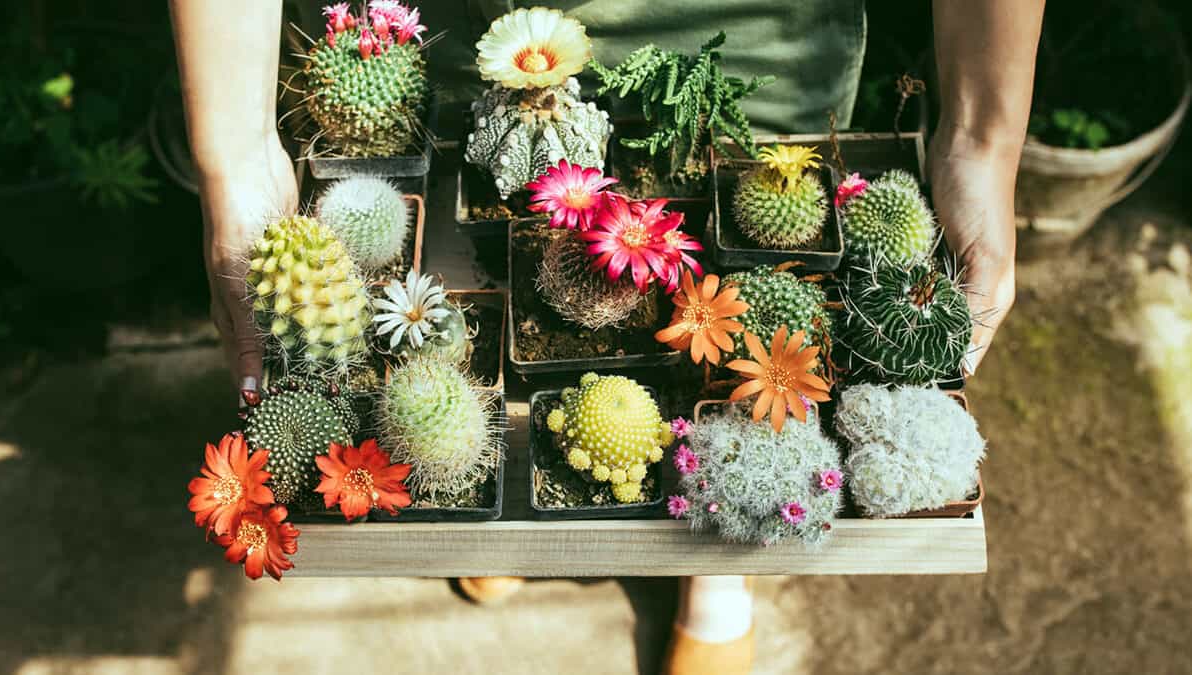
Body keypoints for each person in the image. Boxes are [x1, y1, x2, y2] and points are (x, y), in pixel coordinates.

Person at [170, 1, 1044, 673]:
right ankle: (506, 492)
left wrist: (983, 142)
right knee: (509, 245)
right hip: (502, 51)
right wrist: (236, 155)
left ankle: (721, 549)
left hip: (760, 44)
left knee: (701, 298)